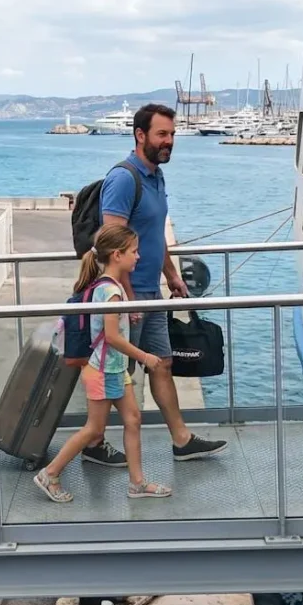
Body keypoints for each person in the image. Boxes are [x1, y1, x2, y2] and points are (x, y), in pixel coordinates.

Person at [85, 103, 227, 466]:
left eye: (172, 135)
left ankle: (182, 440)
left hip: (152, 292)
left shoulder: (156, 176)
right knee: (118, 372)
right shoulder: (123, 178)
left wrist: (172, 275)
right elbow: (113, 243)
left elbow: (154, 235)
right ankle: (94, 442)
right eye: (162, 134)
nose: (169, 142)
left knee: (162, 363)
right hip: (128, 296)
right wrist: (127, 301)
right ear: (140, 135)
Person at [35, 225, 172, 503]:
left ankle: (137, 483)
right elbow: (111, 336)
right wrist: (143, 356)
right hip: (103, 370)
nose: (139, 256)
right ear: (117, 255)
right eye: (134, 252)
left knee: (133, 419)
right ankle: (49, 474)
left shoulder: (109, 287)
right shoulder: (111, 292)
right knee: (94, 429)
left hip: (114, 369)